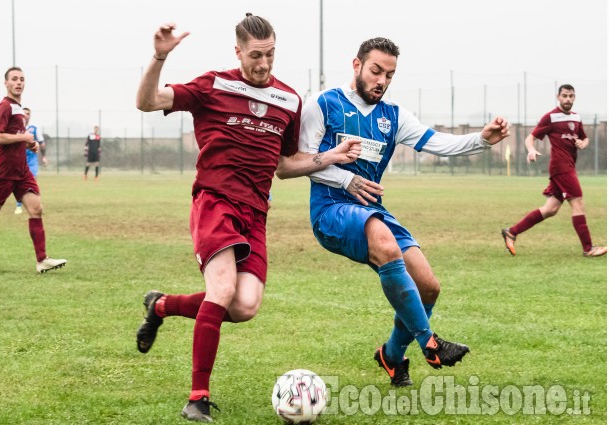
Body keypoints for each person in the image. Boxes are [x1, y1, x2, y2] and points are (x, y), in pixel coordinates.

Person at [134, 16, 360, 422]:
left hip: (255, 214)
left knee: (244, 306)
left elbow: (285, 165)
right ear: (237, 52)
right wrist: (158, 57)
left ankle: (162, 306)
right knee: (221, 289)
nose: (264, 63)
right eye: (256, 55)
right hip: (215, 202)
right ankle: (197, 397)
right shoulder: (213, 86)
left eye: (270, 54)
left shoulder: (289, 100)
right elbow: (147, 102)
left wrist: (330, 156)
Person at [279, 37, 510, 387]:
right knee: (386, 246)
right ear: (356, 65)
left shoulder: (393, 115)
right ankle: (429, 342)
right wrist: (345, 180)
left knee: (428, 287)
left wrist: (481, 138)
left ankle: (390, 355)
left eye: (389, 75)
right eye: (375, 71)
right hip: (330, 210)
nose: (381, 81)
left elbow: (437, 142)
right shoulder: (322, 105)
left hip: (374, 212)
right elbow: (295, 162)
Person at [0, 67, 67, 273]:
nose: (18, 82)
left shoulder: (19, 108)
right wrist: (23, 138)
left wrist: (29, 144)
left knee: (36, 209)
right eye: (14, 79)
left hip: (21, 170)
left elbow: (15, 137)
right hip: (4, 170)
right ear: (6, 83)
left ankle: (42, 260)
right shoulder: (4, 106)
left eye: (22, 79)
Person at [501, 84, 606, 258]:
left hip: (568, 166)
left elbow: (584, 138)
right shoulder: (550, 117)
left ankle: (511, 232)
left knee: (550, 209)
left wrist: (583, 143)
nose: (568, 99)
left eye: (571, 96)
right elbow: (530, 138)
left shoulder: (576, 117)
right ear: (558, 97)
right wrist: (531, 150)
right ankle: (588, 248)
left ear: (574, 97)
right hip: (561, 167)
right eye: (564, 96)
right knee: (578, 203)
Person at [14, 107, 47, 214]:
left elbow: (42, 143)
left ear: (30, 115)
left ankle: (36, 204)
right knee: (17, 182)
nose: (26, 115)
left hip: (32, 160)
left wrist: (44, 156)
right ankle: (18, 205)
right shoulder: (16, 128)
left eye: (28, 113)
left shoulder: (34, 128)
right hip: (19, 159)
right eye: (24, 113)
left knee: (32, 180)